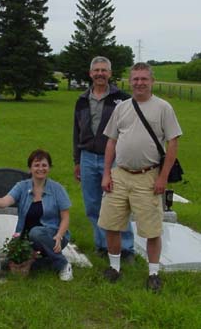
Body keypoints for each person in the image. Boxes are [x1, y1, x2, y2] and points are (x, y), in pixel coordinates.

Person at [98, 62, 182, 292]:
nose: (139, 83)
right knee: (111, 224)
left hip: (148, 176)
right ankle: (114, 268)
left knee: (152, 228)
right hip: (120, 175)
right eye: (135, 79)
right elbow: (111, 141)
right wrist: (106, 173)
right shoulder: (122, 107)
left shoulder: (163, 108)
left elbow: (172, 142)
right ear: (130, 81)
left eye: (144, 79)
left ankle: (153, 273)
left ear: (152, 81)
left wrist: (162, 178)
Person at [0, 149, 73, 281]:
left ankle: (63, 265)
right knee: (12, 259)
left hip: (54, 237)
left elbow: (65, 217)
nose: (40, 168)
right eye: (36, 165)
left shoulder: (57, 189)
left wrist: (59, 235)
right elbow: (4, 201)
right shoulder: (22, 187)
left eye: (44, 165)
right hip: (25, 237)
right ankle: (43, 261)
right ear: (30, 168)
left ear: (49, 168)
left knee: (36, 233)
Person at [73, 56, 135, 260]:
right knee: (92, 204)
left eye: (104, 70)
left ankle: (125, 248)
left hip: (115, 158)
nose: (100, 73)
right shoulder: (82, 100)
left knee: (117, 203)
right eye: (96, 70)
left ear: (110, 73)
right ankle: (103, 244)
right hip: (88, 157)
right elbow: (77, 131)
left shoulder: (122, 99)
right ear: (90, 74)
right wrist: (77, 161)